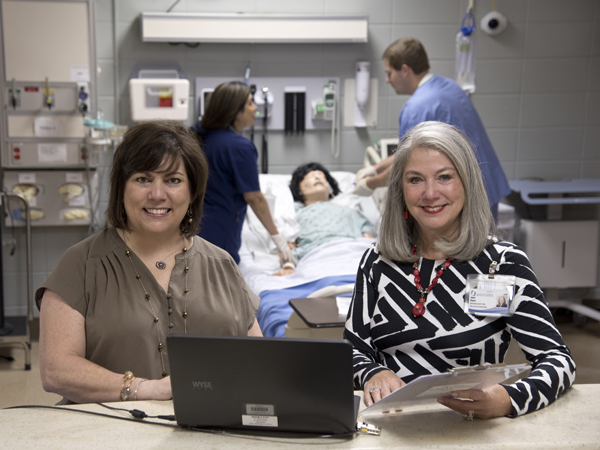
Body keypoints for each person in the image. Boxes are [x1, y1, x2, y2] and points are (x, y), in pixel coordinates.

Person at [344, 121, 575, 419]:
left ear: (467, 183)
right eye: (415, 179)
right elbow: (351, 352)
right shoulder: (377, 262)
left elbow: (557, 361)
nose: (430, 193)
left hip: (470, 427)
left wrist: (509, 398)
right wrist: (373, 373)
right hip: (391, 428)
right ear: (400, 189)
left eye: (444, 177)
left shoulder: (502, 264)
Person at [37, 120, 262, 404]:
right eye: (143, 179)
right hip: (107, 435)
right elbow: (56, 371)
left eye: (173, 180)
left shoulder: (221, 264)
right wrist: (144, 390)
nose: (157, 194)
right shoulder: (82, 263)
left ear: (193, 192)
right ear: (122, 187)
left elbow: (260, 363)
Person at [354, 37, 510, 220]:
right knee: (485, 245)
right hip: (487, 186)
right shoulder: (450, 87)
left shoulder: (417, 107)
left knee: (464, 247)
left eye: (389, 73)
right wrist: (375, 168)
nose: (387, 80)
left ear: (404, 70)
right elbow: (406, 151)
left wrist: (370, 184)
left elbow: (404, 164)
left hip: (461, 197)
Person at [193, 81, 292, 266]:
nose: (255, 107)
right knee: (219, 281)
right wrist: (277, 238)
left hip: (191, 229)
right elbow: (254, 197)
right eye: (250, 103)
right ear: (235, 112)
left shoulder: (196, 136)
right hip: (219, 232)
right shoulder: (239, 147)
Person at [275, 162, 374, 276]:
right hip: (317, 256)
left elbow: (368, 243)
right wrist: (289, 266)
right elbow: (289, 245)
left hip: (355, 254)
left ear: (330, 188)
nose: (317, 177)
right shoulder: (293, 214)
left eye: (321, 176)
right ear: (299, 190)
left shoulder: (351, 212)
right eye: (310, 176)